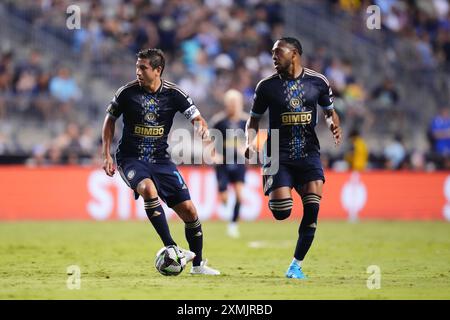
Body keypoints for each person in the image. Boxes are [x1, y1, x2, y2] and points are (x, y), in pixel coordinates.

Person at [101, 48, 220, 275]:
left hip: (160, 160)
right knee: (147, 189)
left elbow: (196, 117)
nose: (138, 72)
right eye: (137, 67)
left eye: (143, 68)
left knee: (189, 211)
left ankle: (197, 266)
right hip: (130, 158)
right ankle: (172, 246)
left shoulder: (175, 94)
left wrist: (202, 131)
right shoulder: (126, 93)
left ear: (158, 70)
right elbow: (109, 120)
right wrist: (106, 153)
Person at [245, 37, 342, 279]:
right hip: (278, 151)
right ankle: (275, 180)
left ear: (295, 54)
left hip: (309, 152)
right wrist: (249, 141)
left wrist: (333, 125)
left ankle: (295, 265)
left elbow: (330, 112)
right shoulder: (266, 86)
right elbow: (254, 119)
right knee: (282, 211)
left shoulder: (318, 82)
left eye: (279, 52)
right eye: (272, 53)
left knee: (312, 208)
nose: (274, 57)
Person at [210, 89, 248, 238]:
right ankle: (224, 200)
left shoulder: (246, 121)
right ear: (226, 104)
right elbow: (209, 141)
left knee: (239, 195)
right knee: (225, 198)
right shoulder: (219, 121)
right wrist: (214, 155)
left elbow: (252, 140)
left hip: (239, 163)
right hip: (223, 164)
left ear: (240, 104)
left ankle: (233, 225)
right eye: (230, 103)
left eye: (235, 103)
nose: (233, 106)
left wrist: (246, 149)